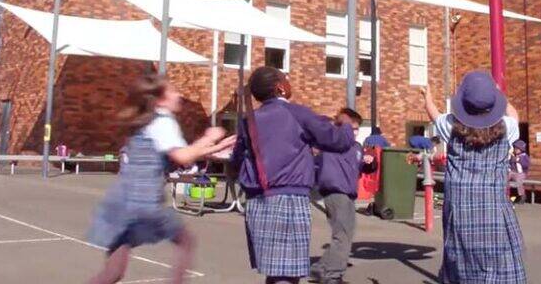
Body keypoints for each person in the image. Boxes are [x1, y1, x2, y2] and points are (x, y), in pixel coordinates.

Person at [86, 73, 236, 284]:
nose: (178, 95)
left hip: (121, 202)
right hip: (144, 202)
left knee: (114, 271)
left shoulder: (145, 122)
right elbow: (183, 156)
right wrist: (209, 137)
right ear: (160, 100)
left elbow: (177, 155)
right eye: (172, 91)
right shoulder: (164, 122)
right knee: (186, 242)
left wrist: (215, 147)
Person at [232, 67, 354, 284]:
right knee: (287, 273)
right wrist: (346, 125)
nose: (290, 83)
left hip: (257, 200)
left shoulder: (249, 119)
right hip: (288, 198)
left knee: (275, 270)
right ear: (280, 87)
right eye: (286, 79)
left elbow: (236, 159)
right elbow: (337, 141)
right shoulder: (296, 113)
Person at [421, 72, 526, 284]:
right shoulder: (507, 127)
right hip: (494, 207)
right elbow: (514, 114)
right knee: (499, 258)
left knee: (461, 259)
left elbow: (434, 115)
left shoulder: (450, 126)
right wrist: (500, 96)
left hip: (461, 208)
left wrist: (428, 99)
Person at [310, 108, 377, 284]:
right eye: (351, 128)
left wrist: (370, 163)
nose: (353, 133)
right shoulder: (331, 145)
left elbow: (363, 167)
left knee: (344, 234)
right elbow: (316, 158)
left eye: (356, 129)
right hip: (336, 191)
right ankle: (332, 275)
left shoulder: (357, 147)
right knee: (343, 235)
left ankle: (320, 268)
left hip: (348, 194)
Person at [509, 140, 530, 204]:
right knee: (506, 177)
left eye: (517, 149)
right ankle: (506, 194)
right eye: (515, 148)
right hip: (514, 172)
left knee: (519, 181)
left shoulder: (524, 156)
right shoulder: (514, 156)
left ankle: (522, 196)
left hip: (521, 173)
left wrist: (519, 160)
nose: (515, 150)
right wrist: (512, 160)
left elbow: (526, 165)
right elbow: (510, 164)